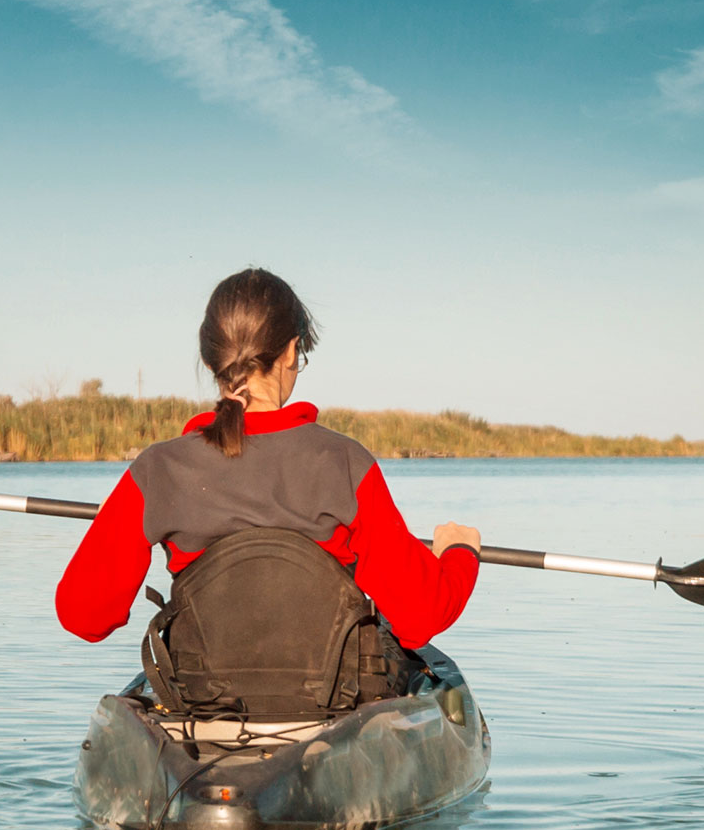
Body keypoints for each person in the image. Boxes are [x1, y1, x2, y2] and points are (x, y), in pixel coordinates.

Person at [55, 268, 481, 675]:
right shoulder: (345, 462)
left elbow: (84, 616)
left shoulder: (157, 470)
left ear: (210, 364)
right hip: (330, 698)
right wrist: (459, 553)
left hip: (201, 701)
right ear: (293, 351)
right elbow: (422, 616)